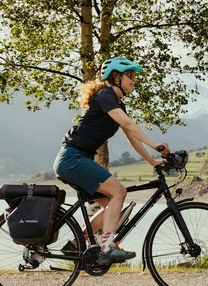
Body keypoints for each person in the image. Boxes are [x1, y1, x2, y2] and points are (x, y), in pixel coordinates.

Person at [53, 57, 170, 264]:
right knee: (120, 192)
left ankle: (75, 243)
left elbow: (132, 136)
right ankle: (106, 248)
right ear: (116, 77)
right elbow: (128, 124)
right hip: (73, 158)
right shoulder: (105, 95)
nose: (134, 80)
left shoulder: (117, 104)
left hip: (76, 159)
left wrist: (152, 162)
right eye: (130, 75)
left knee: (112, 207)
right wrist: (155, 145)